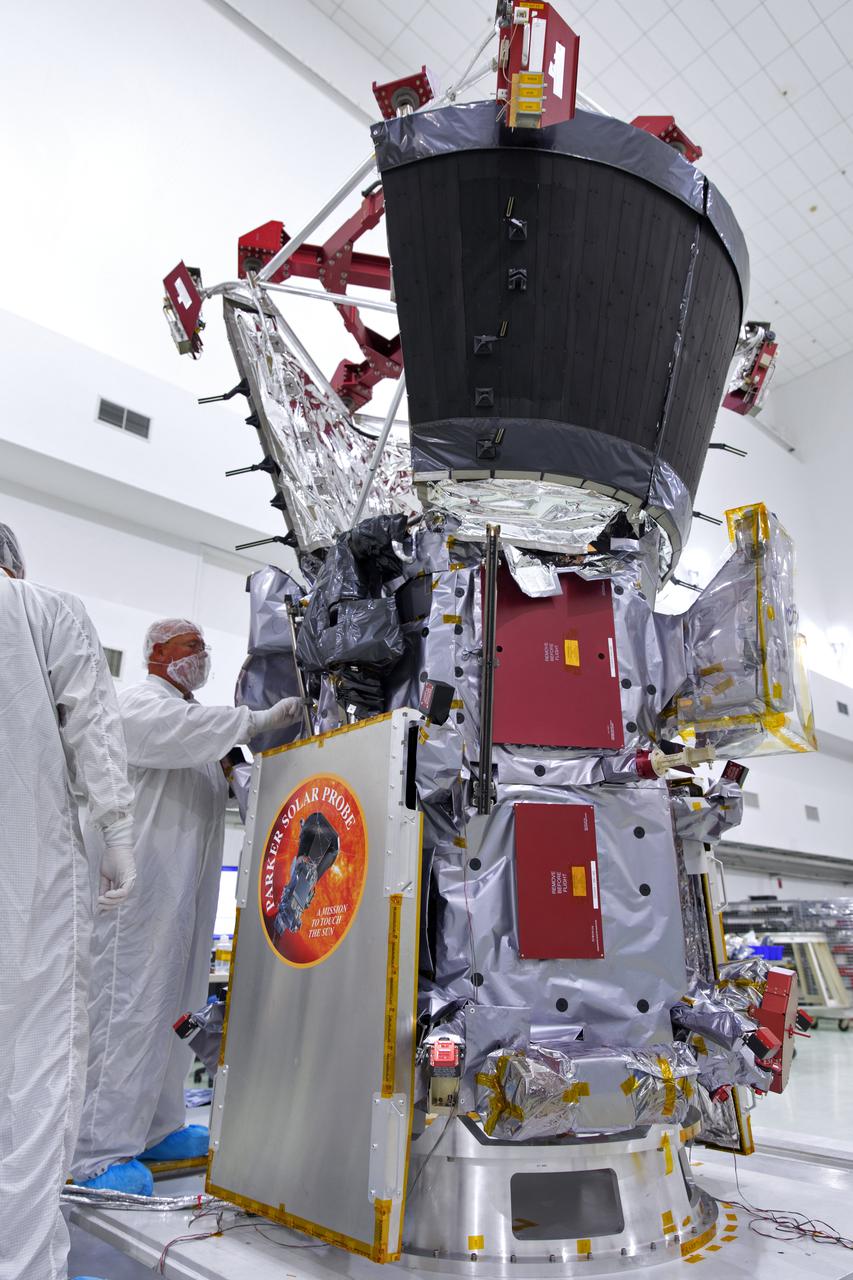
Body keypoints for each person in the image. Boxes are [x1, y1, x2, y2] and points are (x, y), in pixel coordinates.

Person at [72, 618, 301, 1193]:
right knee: (128, 1009)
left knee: (174, 1011)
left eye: (202, 646)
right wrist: (259, 720)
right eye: (188, 646)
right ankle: (96, 1152)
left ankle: (156, 1129)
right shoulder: (140, 707)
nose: (200, 654)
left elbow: (221, 773)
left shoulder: (193, 724)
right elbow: (189, 733)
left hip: (182, 896)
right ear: (156, 653)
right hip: (135, 895)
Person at [0, 522, 137, 1280]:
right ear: (13, 559)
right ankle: (23, 1264)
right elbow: (94, 723)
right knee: (39, 1062)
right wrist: (116, 829)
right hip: (26, 880)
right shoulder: (40, 607)